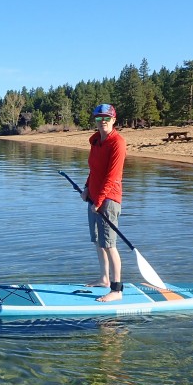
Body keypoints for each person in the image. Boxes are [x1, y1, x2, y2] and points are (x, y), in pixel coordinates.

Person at [83, 104, 126, 302]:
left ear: (114, 120)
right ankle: (104, 279)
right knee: (98, 241)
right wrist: (86, 188)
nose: (103, 122)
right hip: (94, 198)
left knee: (109, 244)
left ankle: (117, 290)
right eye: (99, 119)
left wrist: (99, 201)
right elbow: (94, 170)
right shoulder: (95, 142)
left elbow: (113, 177)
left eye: (106, 118)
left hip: (108, 199)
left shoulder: (117, 143)